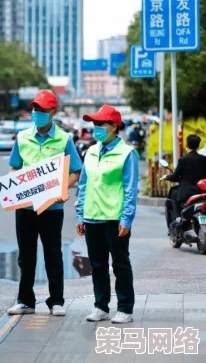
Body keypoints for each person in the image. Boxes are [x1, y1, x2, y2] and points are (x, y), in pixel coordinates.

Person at [0, 90, 83, 317]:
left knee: (53, 253)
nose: (37, 113)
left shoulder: (64, 139)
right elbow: (15, 167)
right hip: (25, 207)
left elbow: (76, 171)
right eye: (35, 109)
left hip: (52, 207)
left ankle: (56, 301)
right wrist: (10, 184)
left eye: (42, 110)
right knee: (26, 255)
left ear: (53, 112)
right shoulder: (22, 137)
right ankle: (25, 300)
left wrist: (62, 190)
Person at [76, 104, 139, 324]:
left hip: (114, 219)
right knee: (97, 265)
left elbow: (131, 189)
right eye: (94, 124)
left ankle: (125, 308)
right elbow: (83, 184)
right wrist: (80, 215)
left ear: (113, 126)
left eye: (100, 124)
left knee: (120, 264)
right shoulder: (92, 151)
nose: (96, 128)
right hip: (92, 217)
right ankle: (101, 306)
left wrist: (127, 218)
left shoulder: (127, 153)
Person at [161, 134, 206, 220]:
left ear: (187, 145)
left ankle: (177, 217)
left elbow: (175, 176)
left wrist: (166, 177)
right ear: (198, 145)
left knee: (173, 194)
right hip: (201, 192)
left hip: (186, 193)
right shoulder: (204, 159)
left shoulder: (183, 159)